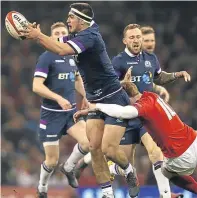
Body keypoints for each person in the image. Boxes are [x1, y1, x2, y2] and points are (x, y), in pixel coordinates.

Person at [21, 3, 139, 198]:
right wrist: (35, 35)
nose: (67, 20)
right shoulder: (78, 35)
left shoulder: (89, 37)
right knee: (94, 147)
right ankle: (107, 194)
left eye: (71, 17)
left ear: (82, 21)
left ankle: (129, 171)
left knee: (109, 150)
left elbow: (61, 50)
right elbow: (56, 43)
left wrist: (38, 37)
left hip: (113, 98)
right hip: (95, 99)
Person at [74, 24, 190, 198]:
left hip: (147, 116)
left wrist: (176, 75)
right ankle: (92, 162)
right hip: (126, 115)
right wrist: (123, 84)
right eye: (132, 37)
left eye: (138, 37)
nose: (136, 40)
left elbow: (158, 77)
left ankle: (165, 195)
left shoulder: (151, 58)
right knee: (123, 162)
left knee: (155, 152)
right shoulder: (117, 61)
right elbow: (108, 87)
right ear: (125, 41)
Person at [74, 81, 197, 194]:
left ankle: (167, 196)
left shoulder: (143, 107)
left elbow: (122, 112)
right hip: (193, 138)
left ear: (127, 98)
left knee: (165, 171)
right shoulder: (151, 96)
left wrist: (96, 106)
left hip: (180, 154)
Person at [33, 22, 90, 198]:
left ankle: (69, 167)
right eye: (56, 32)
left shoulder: (72, 55)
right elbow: (36, 86)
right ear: (51, 37)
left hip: (70, 113)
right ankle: (42, 187)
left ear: (69, 36)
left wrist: (86, 96)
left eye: (63, 32)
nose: (59, 35)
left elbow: (77, 79)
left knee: (88, 143)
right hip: (51, 116)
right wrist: (58, 98)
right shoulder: (46, 57)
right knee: (51, 162)